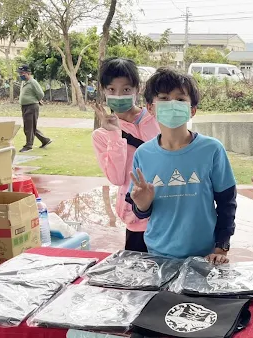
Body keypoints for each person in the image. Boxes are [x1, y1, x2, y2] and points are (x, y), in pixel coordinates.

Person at [127, 67, 237, 264]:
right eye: (163, 98)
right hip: (157, 254)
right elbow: (140, 210)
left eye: (180, 99)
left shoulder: (212, 149)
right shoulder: (143, 154)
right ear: (150, 108)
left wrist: (221, 247)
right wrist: (143, 203)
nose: (172, 104)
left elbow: (227, 203)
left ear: (192, 109)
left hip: (204, 255)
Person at [92, 57, 160, 252]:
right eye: (112, 89)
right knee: (139, 275)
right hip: (135, 217)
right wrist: (115, 135)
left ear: (137, 90)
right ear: (104, 91)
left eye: (126, 90)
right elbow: (116, 178)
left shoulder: (156, 119)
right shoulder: (101, 136)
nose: (119, 95)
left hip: (168, 209)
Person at [18, 65, 52, 152]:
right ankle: (45, 140)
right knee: (31, 126)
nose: (20, 75)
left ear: (28, 73)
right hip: (25, 106)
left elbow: (41, 94)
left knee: (28, 127)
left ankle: (28, 146)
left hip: (31, 106)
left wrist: (36, 100)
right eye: (20, 73)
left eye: (22, 73)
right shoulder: (24, 82)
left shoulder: (33, 82)